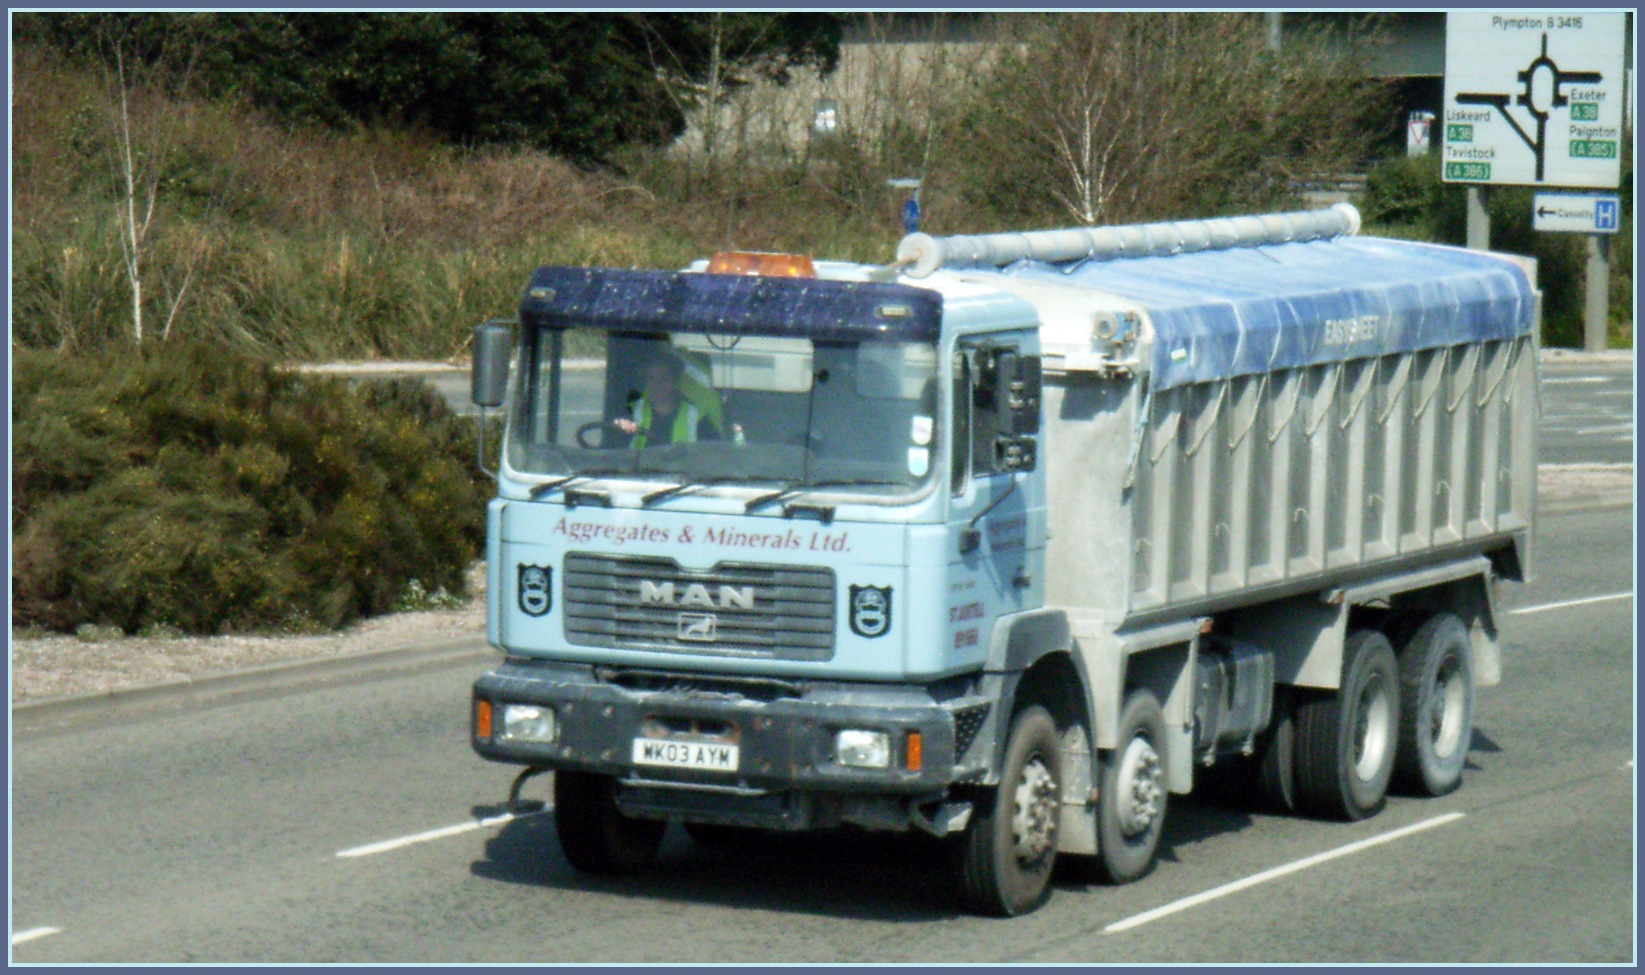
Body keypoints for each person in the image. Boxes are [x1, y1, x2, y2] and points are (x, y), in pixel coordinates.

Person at [614, 351, 724, 447]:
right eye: (651, 378)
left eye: (664, 378)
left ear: (675, 382)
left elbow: (716, 455)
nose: (657, 384)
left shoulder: (696, 419)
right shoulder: (631, 413)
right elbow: (615, 452)